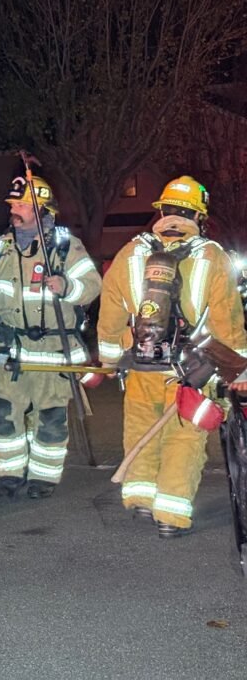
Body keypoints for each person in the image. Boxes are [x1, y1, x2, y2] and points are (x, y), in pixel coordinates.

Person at [98, 175, 247, 537]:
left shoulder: (131, 253)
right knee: (184, 439)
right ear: (199, 216)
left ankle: (140, 501)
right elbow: (228, 320)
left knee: (139, 431)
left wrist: (109, 359)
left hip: (141, 364)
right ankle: (172, 515)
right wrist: (239, 369)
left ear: (161, 211)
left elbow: (111, 311)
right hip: (191, 371)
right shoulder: (211, 256)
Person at [0, 175, 101, 499]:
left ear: (41, 209)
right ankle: (11, 474)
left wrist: (67, 286)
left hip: (52, 350)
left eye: (21, 205)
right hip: (10, 351)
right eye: (13, 205)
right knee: (3, 414)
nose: (14, 210)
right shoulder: (0, 249)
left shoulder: (64, 246)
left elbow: (92, 285)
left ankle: (43, 478)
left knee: (50, 419)